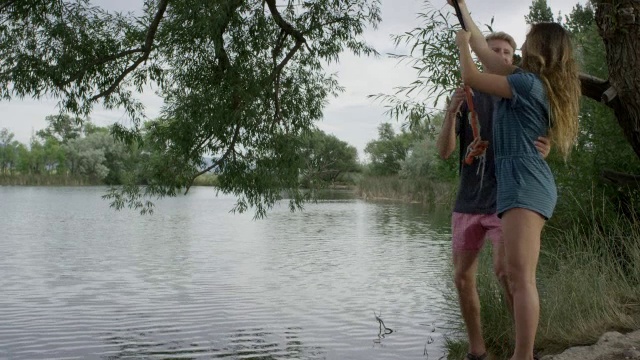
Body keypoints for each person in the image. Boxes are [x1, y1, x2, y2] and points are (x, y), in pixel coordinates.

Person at [448, 1, 581, 359]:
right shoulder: (525, 81)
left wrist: (460, 46)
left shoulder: (526, 84)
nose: (522, 45)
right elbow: (481, 46)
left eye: (527, 40)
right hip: (517, 182)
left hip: (525, 182)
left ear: (540, 48)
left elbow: (473, 76)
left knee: (520, 278)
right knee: (516, 275)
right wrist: (461, 8)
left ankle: (522, 356)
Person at [436, 31, 551, 360]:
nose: (500, 56)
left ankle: (524, 349)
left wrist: (549, 144)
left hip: (508, 199)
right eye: (495, 50)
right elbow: (444, 153)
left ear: (512, 59)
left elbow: (542, 128)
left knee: (506, 271)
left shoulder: (515, 90)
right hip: (469, 198)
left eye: (506, 52)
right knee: (461, 277)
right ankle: (477, 351)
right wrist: (450, 113)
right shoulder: (469, 95)